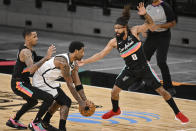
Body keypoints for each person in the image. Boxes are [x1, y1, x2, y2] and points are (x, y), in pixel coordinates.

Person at [78, 2, 189, 124]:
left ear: (125, 28)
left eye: (119, 28)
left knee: (162, 92)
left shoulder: (135, 31)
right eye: (115, 28)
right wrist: (86, 61)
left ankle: (178, 113)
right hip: (130, 70)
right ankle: (116, 110)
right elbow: (100, 54)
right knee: (114, 91)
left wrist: (145, 14)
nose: (116, 31)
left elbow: (151, 24)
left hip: (144, 68)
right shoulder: (114, 42)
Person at [32, 41, 91, 131]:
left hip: (49, 81)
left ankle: (45, 122)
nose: (83, 54)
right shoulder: (63, 63)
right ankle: (59, 127)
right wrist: (80, 102)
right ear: (76, 51)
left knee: (63, 100)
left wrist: (85, 100)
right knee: (65, 101)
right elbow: (70, 85)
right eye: (82, 51)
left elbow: (77, 83)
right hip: (40, 80)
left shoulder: (74, 64)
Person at [6, 28, 56, 130]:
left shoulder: (30, 50)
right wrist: (46, 57)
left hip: (24, 83)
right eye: (34, 36)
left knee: (33, 102)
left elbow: (38, 61)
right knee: (49, 98)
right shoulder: (26, 52)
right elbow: (32, 69)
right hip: (19, 84)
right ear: (27, 38)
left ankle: (14, 120)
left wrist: (55, 61)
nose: (37, 39)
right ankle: (36, 123)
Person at [143, 0, 177, 95]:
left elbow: (173, 23)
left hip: (164, 36)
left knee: (161, 62)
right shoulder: (147, 5)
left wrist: (158, 26)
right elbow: (147, 19)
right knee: (143, 60)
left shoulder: (165, 6)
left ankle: (169, 86)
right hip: (151, 35)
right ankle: (141, 82)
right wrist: (145, 29)